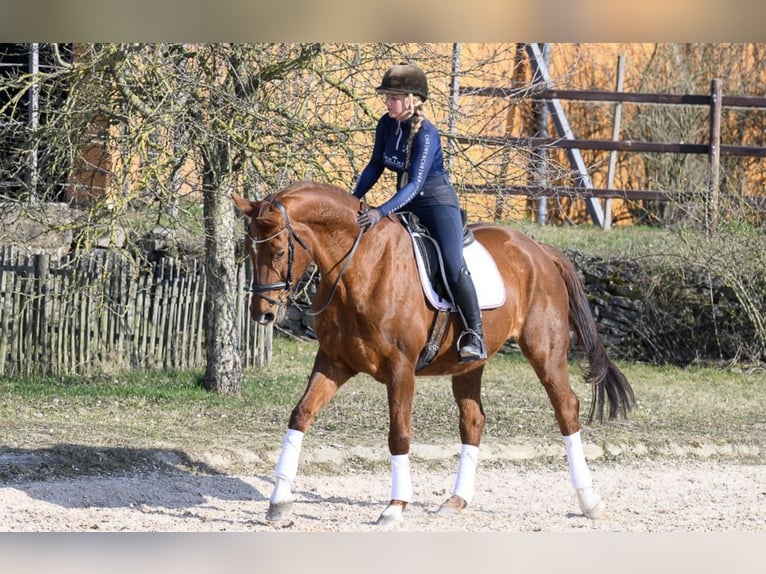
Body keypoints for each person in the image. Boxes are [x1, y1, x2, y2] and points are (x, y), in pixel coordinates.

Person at [352, 62, 487, 362]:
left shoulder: (427, 134)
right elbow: (375, 166)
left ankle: (475, 334)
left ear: (412, 100)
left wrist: (380, 211)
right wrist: (353, 199)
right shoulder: (386, 124)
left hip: (437, 204)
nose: (387, 101)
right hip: (407, 201)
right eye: (385, 96)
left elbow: (414, 185)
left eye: (392, 97)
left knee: (452, 265)